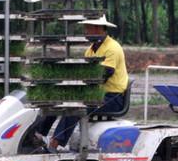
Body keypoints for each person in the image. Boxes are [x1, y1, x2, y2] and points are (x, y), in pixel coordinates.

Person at [46, 16, 130, 150]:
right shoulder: (91, 49)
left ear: (97, 29)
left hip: (112, 98)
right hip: (95, 94)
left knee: (76, 106)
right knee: (57, 100)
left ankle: (54, 143)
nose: (85, 31)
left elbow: (104, 74)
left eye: (87, 28)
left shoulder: (112, 47)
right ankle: (39, 134)